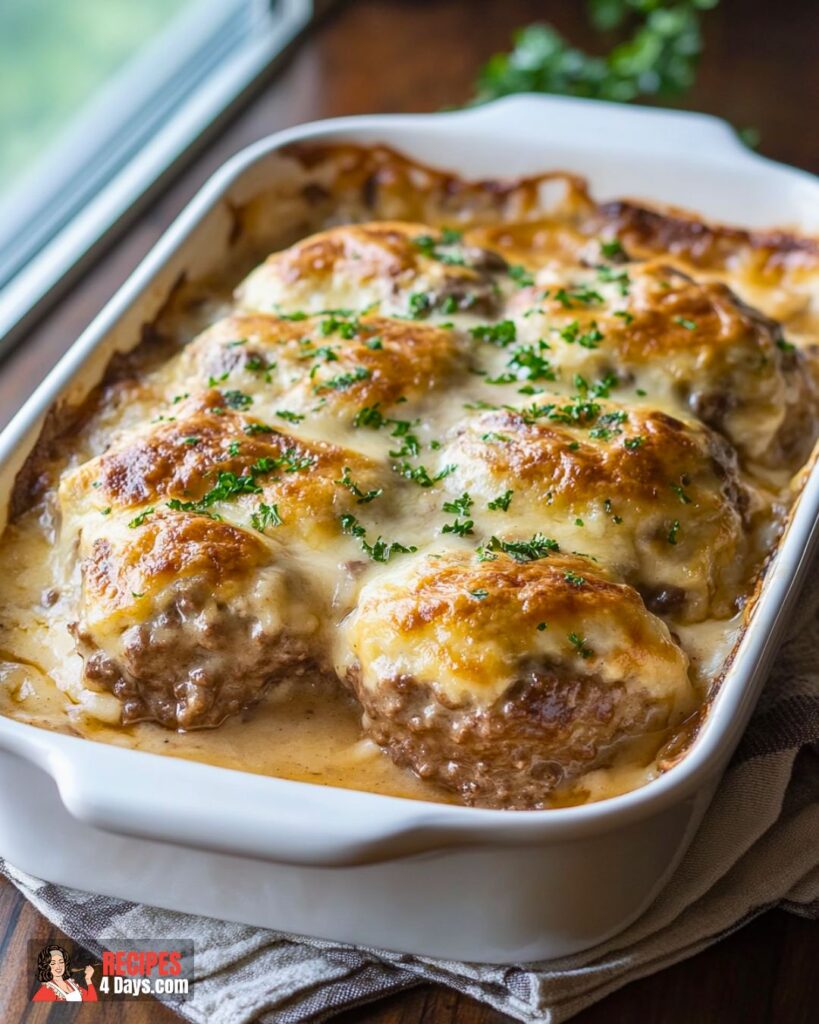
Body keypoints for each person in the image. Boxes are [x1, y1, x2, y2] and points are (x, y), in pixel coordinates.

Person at [31, 944, 97, 1002]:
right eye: (53, 963)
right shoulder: (47, 990)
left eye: (61, 962)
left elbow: (92, 1000)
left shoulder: (70, 983)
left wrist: (88, 979)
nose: (58, 966)